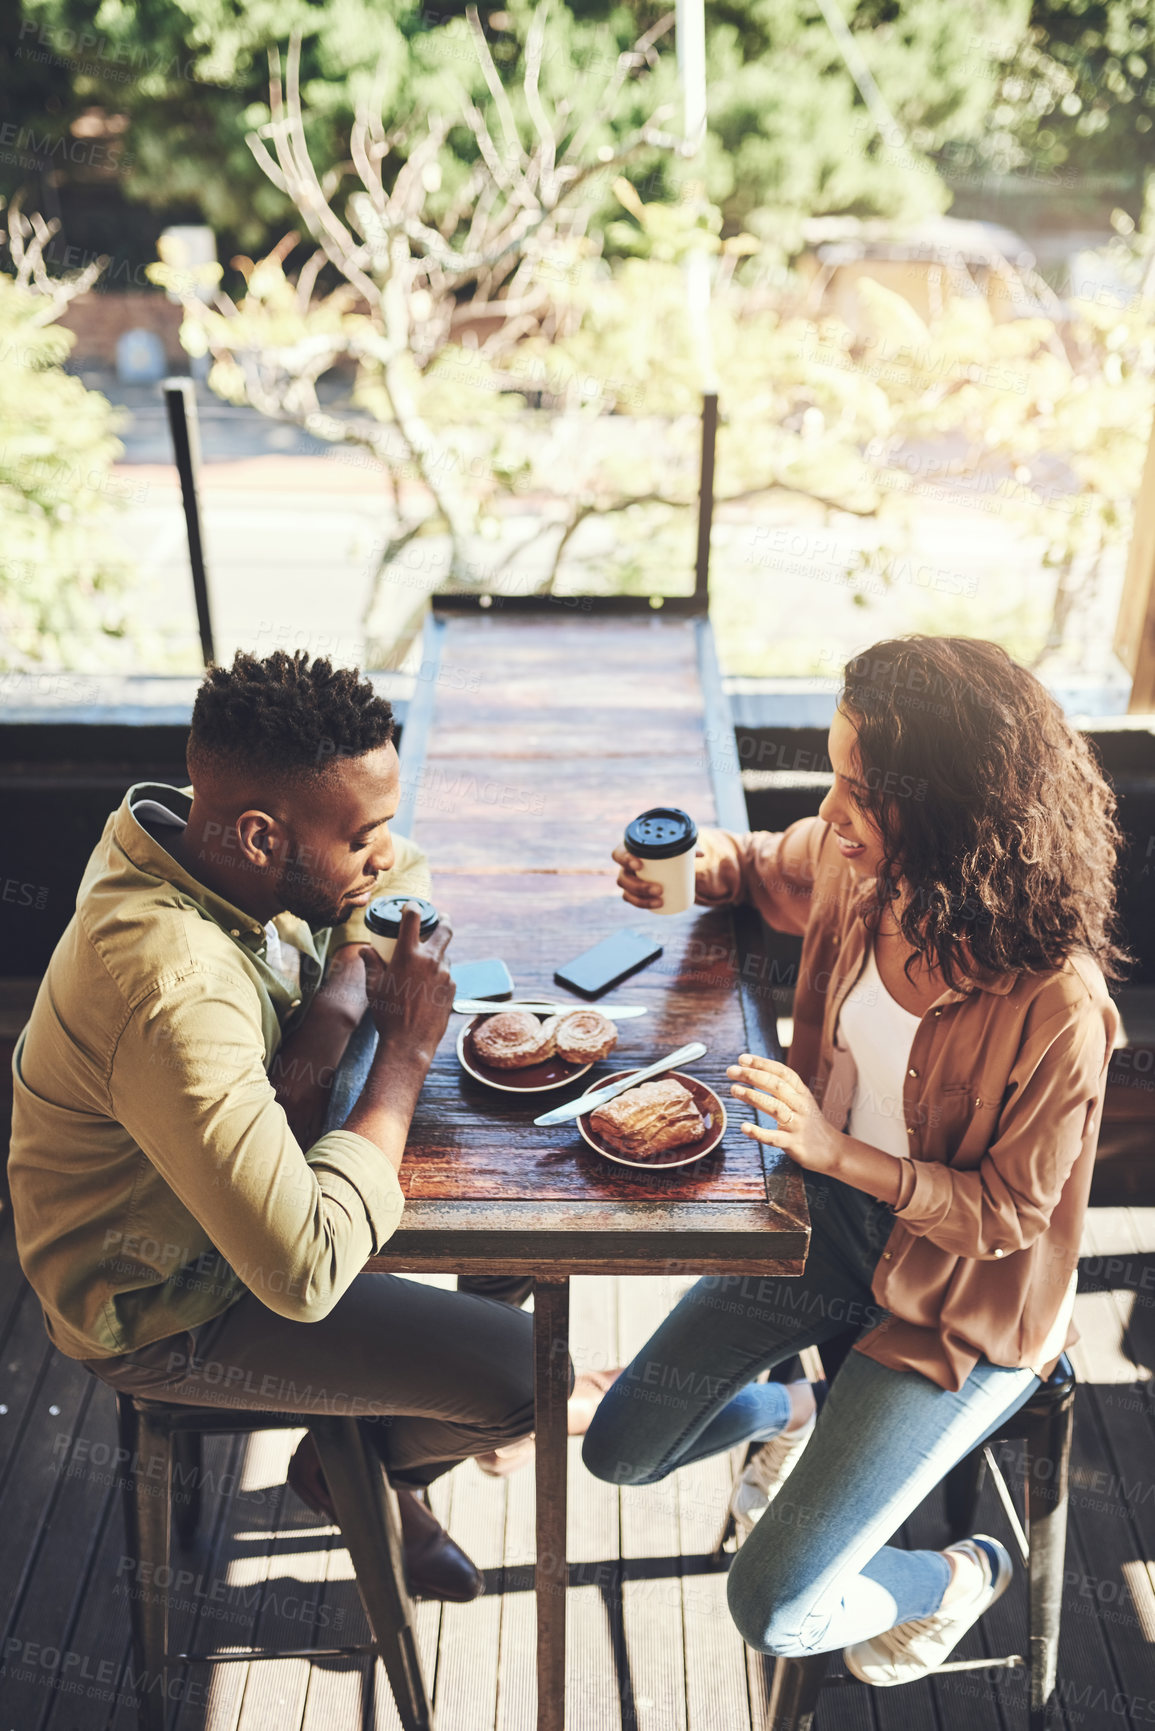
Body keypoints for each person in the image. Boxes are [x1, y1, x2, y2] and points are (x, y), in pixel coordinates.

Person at [583, 635, 1123, 1684]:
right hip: (826, 1227)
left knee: (775, 1608)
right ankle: (805, 1412)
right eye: (834, 775)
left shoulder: (1060, 1005)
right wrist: (696, 873)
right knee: (619, 1449)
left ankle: (964, 1575)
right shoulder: (853, 860)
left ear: (960, 816)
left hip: (961, 1299)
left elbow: (1007, 1217)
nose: (832, 811)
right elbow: (758, 865)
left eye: (859, 791)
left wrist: (836, 1150)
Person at [8, 650, 600, 1603]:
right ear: (257, 835)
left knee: (520, 1225)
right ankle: (366, 1466)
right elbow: (303, 1271)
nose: (385, 854)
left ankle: (360, 1449)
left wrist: (331, 1007)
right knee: (530, 1378)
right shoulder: (175, 988)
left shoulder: (184, 841)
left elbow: (398, 873)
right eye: (360, 833)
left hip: (255, 1194)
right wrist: (401, 1050)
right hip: (163, 1293)